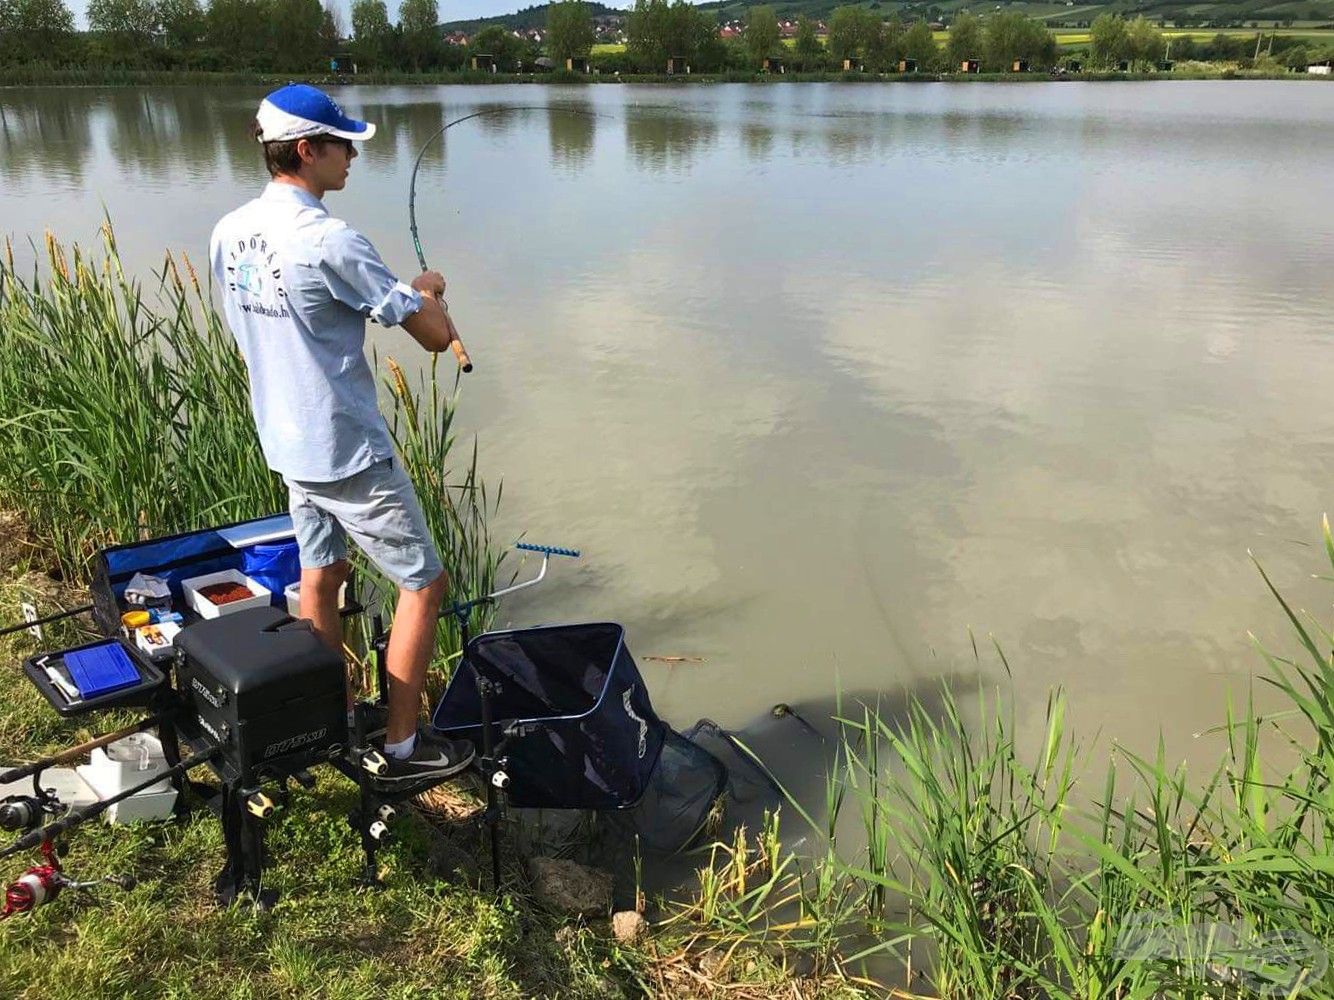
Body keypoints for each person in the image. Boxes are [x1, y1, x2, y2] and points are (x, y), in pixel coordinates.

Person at [209, 84, 474, 790]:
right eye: (341, 144)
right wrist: (427, 290)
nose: (352, 156)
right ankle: (401, 744)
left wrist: (407, 294)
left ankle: (329, 719)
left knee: (320, 577)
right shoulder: (330, 239)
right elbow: (431, 336)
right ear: (306, 150)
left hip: (285, 442)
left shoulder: (229, 230)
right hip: (347, 448)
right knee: (425, 584)